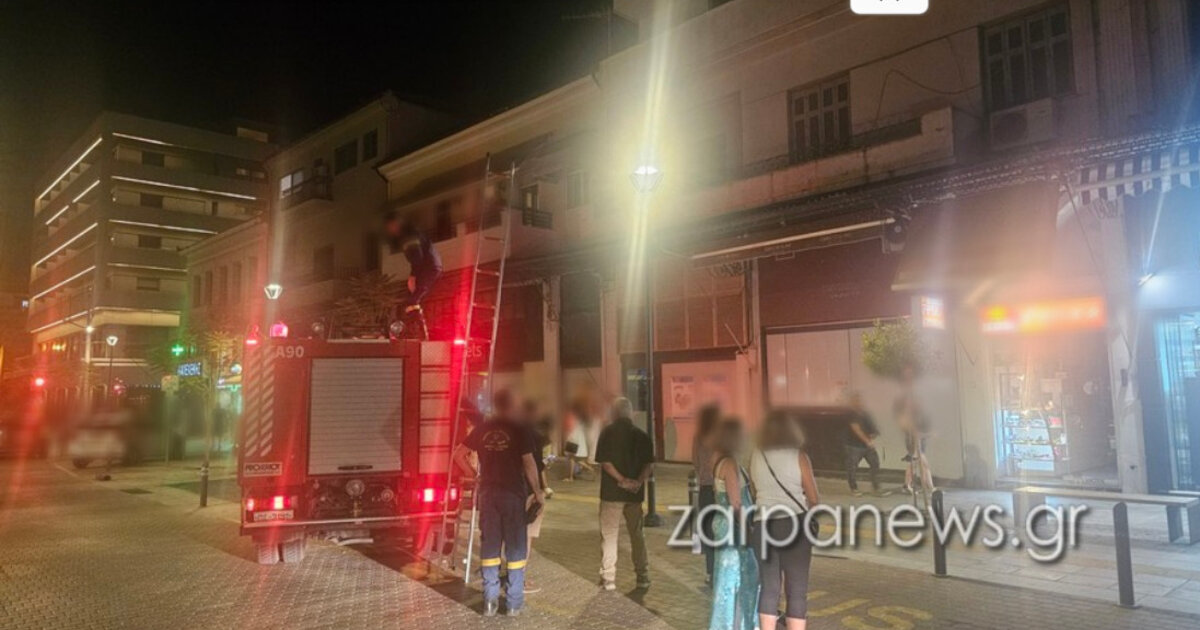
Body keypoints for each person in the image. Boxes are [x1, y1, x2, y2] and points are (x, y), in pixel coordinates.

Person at [452, 390, 544, 617]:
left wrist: (474, 476)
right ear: (512, 406)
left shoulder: (483, 428)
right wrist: (538, 492)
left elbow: (458, 454)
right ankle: (513, 603)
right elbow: (529, 463)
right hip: (512, 495)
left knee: (490, 546)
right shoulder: (519, 429)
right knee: (515, 547)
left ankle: (490, 601)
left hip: (488, 495)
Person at [750, 409, 819, 630]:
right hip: (795, 526)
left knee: (769, 588)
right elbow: (814, 498)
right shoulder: (799, 456)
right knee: (797, 590)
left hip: (763, 526)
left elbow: (754, 491)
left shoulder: (756, 455)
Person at [593, 397, 653, 591]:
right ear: (631, 413)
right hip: (634, 495)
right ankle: (643, 575)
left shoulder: (607, 433)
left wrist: (621, 480)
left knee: (610, 535)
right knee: (637, 535)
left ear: (615, 413)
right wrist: (637, 482)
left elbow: (605, 463)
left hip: (611, 494)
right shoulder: (642, 436)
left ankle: (608, 578)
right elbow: (649, 464)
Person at [708, 419, 760, 630]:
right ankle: (740, 624)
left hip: (722, 523)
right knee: (745, 577)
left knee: (725, 578)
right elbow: (736, 502)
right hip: (734, 527)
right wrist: (748, 529)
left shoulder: (717, 458)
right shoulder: (729, 463)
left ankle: (725, 623)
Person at [383, 211, 442, 338]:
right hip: (428, 268)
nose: (390, 231)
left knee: (412, 301)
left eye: (390, 227)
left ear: (395, 223)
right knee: (411, 300)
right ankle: (414, 331)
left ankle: (420, 334)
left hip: (427, 269)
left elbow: (417, 258)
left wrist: (413, 276)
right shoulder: (411, 232)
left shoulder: (408, 235)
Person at [519, 398, 551, 594]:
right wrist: (539, 492)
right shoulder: (533, 437)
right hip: (529, 492)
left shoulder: (511, 433)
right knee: (527, 536)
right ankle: (519, 579)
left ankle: (509, 574)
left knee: (511, 536)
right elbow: (534, 466)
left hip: (509, 491)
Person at [692, 404, 721, 584]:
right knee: (723, 530)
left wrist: (703, 473)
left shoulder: (699, 437)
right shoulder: (721, 436)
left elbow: (695, 461)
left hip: (705, 488)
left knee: (709, 531)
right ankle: (724, 571)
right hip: (721, 488)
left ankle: (711, 572)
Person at [896, 364, 934, 495]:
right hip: (913, 439)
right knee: (919, 464)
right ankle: (928, 487)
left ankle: (913, 485)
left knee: (916, 464)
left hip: (918, 439)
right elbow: (905, 424)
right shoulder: (907, 402)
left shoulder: (918, 411)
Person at [843, 392, 883, 497]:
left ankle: (876, 487)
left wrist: (874, 434)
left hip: (867, 446)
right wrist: (867, 441)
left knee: (875, 464)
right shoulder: (850, 414)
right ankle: (854, 488)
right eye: (857, 400)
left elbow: (873, 427)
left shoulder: (865, 413)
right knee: (852, 467)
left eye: (860, 400)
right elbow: (856, 429)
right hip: (854, 445)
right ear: (852, 402)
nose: (860, 402)